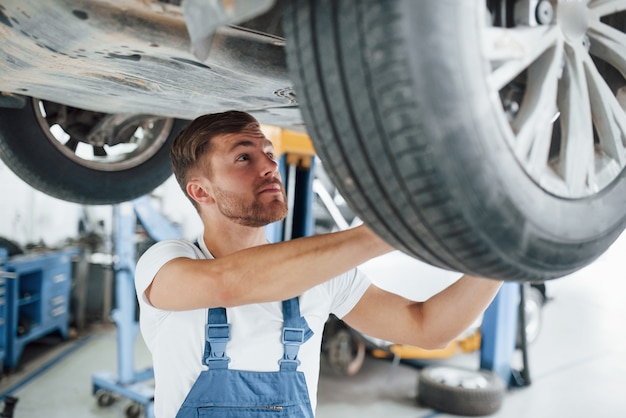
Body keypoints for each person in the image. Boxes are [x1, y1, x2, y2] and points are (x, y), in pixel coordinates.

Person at [135, 110, 503, 418]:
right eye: (244, 157)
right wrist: (388, 230)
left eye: (268, 153)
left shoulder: (322, 276)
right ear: (201, 191)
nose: (268, 166)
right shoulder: (166, 263)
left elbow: (427, 328)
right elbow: (228, 284)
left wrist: (503, 256)